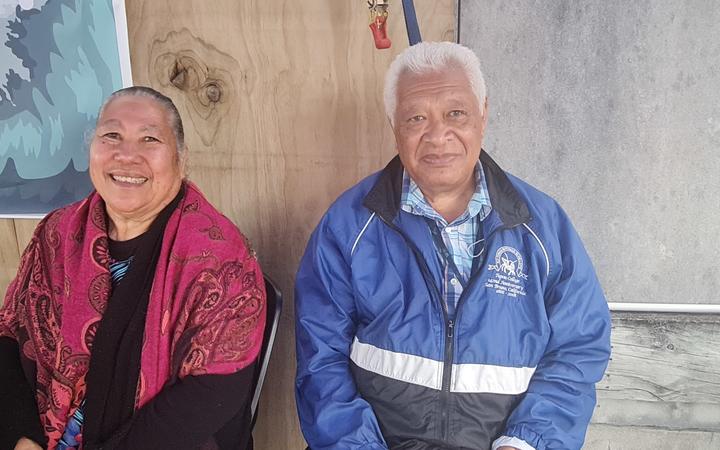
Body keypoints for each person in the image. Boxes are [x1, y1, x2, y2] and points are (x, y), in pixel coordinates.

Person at [295, 42, 611, 450]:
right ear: (394, 126)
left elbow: (578, 348)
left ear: (484, 113)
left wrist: (526, 443)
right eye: (416, 118)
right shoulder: (349, 225)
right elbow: (320, 362)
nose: (438, 135)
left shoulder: (542, 228)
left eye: (455, 113)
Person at [0, 86, 266, 450]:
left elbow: (211, 393)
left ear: (181, 159)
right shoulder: (57, 233)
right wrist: (21, 438)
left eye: (149, 139)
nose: (126, 155)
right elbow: (9, 335)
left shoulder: (220, 258)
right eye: (112, 135)